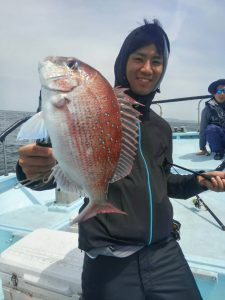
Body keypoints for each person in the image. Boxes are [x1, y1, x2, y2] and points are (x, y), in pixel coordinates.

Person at [17, 19, 225, 300]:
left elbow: (164, 184)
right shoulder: (89, 107)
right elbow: (51, 167)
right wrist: (28, 169)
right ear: (123, 62)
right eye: (139, 58)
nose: (147, 68)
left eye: (157, 61)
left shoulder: (162, 129)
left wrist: (200, 181)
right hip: (109, 259)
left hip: (165, 252)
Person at [197, 79, 225, 160]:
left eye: (224, 90)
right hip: (218, 142)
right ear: (214, 93)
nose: (222, 94)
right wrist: (202, 148)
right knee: (211, 129)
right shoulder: (207, 110)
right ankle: (219, 152)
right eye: (219, 91)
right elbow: (203, 129)